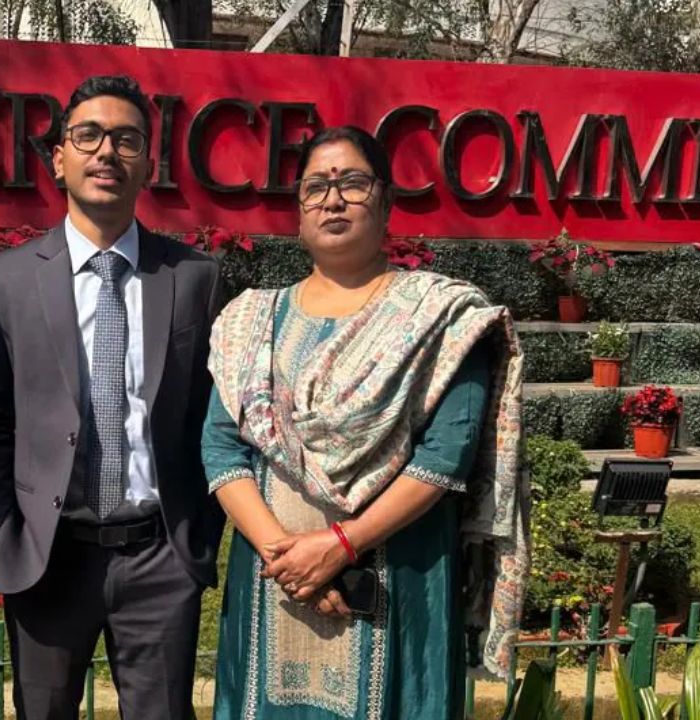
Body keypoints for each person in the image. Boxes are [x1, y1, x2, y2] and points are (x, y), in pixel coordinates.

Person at [203, 126, 530, 719]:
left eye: (352, 183)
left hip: (399, 575)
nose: (333, 199)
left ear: (385, 201)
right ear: (297, 214)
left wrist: (341, 544)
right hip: (274, 583)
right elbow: (222, 451)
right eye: (315, 187)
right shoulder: (247, 322)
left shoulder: (443, 317)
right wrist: (292, 561)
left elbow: (445, 455)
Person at [0, 75, 226, 720]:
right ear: (59, 157)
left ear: (149, 163)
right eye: (88, 136)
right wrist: (3, 531)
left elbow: (214, 417)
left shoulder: (194, 278)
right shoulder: (10, 278)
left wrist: (200, 535)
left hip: (160, 555)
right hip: (50, 554)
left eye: (126, 139)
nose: (106, 152)